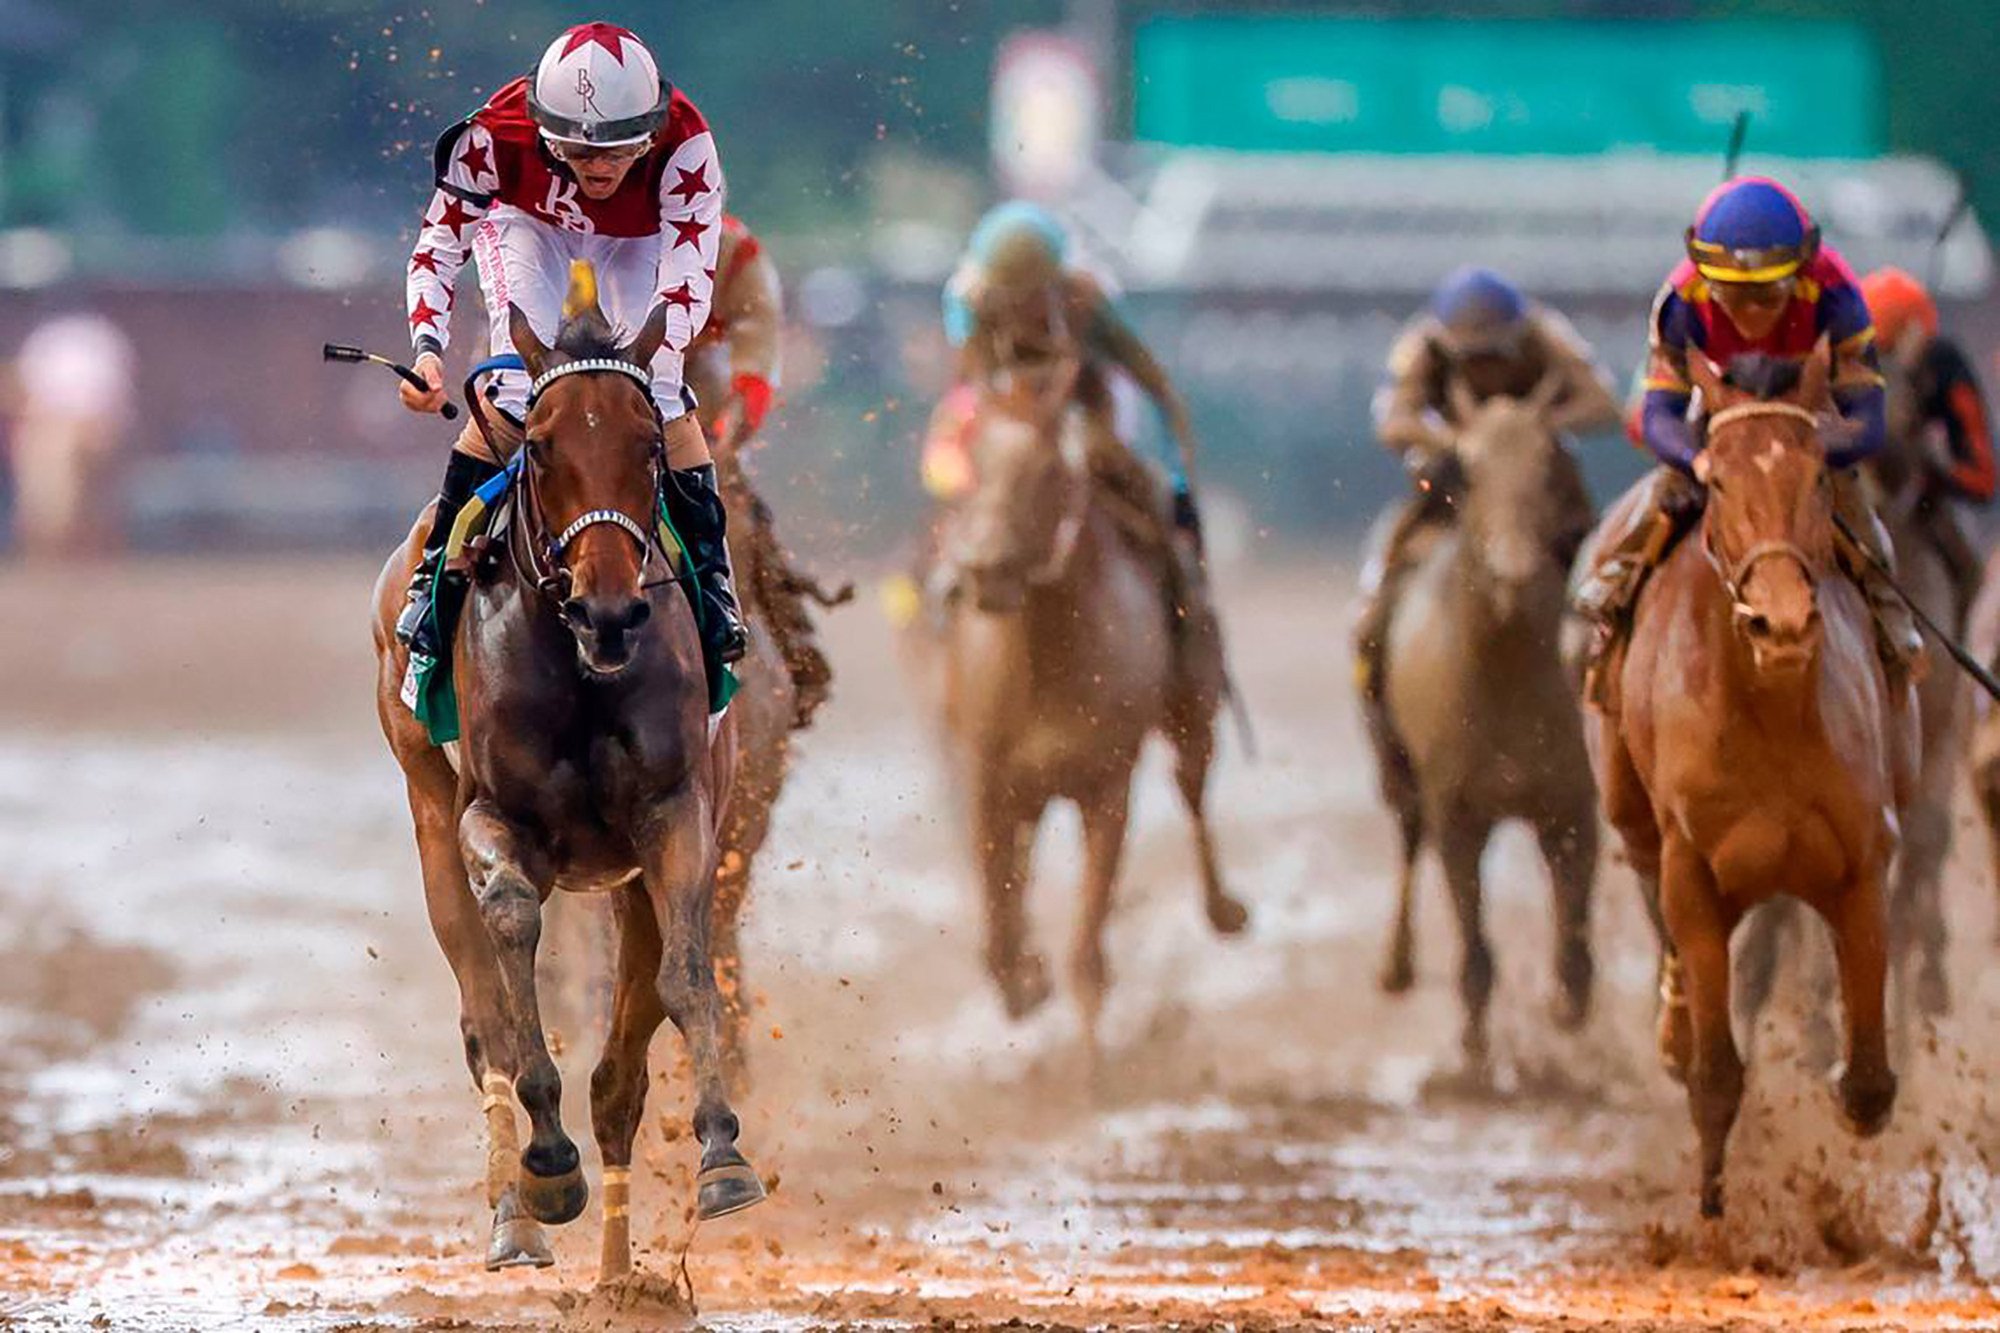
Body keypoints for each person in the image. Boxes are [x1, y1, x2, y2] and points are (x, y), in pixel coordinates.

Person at [393, 21, 745, 674]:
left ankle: (715, 585)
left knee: (659, 391)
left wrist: (645, 368)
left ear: (651, 128)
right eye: (580, 154)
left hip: (638, 242)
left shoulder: (688, 146)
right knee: (517, 388)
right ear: (544, 131)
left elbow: (687, 288)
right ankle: (434, 581)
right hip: (529, 227)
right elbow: (439, 245)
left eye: (617, 151)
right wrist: (426, 349)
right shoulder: (493, 136)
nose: (601, 169)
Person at [1572, 176, 1920, 685]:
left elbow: (1868, 416)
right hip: (1721, 412)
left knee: (1856, 509)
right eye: (1730, 295)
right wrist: (1698, 461)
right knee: (1668, 493)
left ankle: (1889, 608)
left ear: (1801, 269)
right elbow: (1658, 415)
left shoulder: (1839, 293)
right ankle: (1620, 583)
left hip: (1804, 408)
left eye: (1766, 294)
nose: (1748, 311)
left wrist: (1814, 450)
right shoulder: (1679, 300)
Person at [1353, 265, 1620, 703]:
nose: (1485, 367)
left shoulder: (1545, 332)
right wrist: (1458, 440)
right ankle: (1372, 662)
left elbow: (1604, 403)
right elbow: (1392, 421)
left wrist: (1530, 428)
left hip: (1541, 481)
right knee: (1392, 560)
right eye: (1472, 358)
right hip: (1454, 476)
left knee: (1602, 561)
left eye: (1495, 354)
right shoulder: (1422, 344)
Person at [683, 214, 838, 728]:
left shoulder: (733, 251)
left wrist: (733, 427)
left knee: (739, 518)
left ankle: (790, 651)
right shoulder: (572, 227)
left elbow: (756, 336)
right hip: (589, 398)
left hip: (694, 406)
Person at [1859, 265, 1994, 615]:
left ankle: (1972, 662)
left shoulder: (1944, 367)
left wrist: (1937, 469)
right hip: (1856, 493)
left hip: (1924, 506)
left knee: (1972, 578)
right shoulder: (1852, 362)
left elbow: (1983, 477)